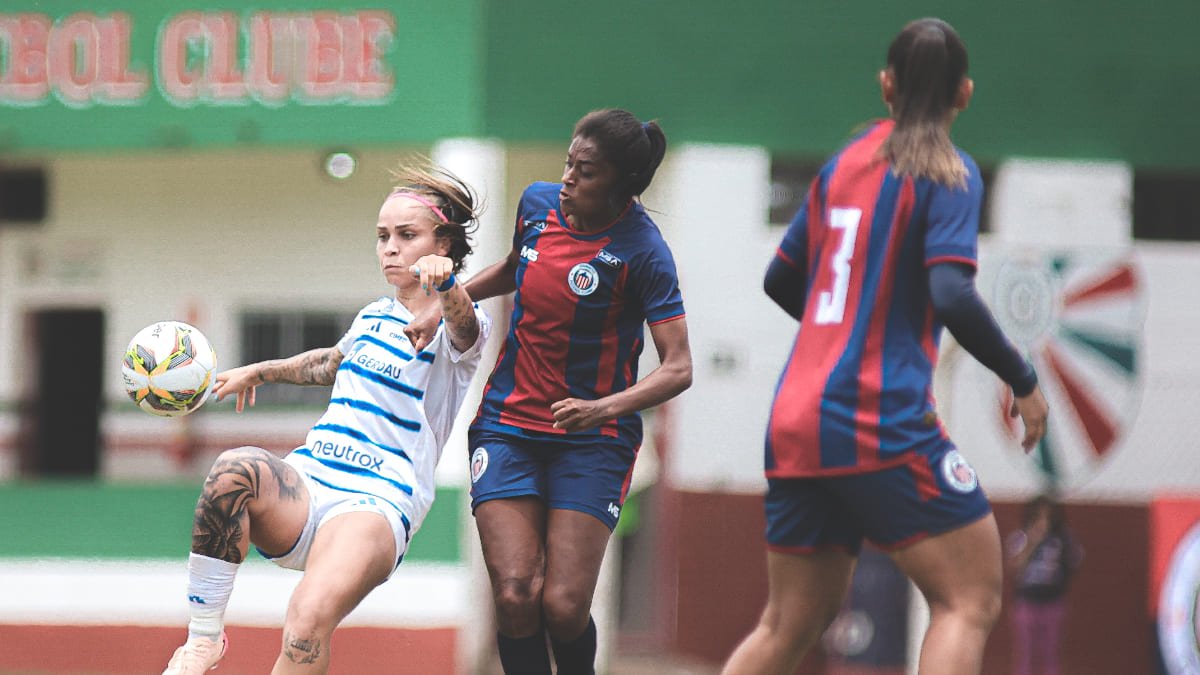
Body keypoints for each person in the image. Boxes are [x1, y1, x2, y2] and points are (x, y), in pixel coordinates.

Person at [721, 18, 1050, 675]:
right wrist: (1023, 377)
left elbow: (781, 277)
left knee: (786, 624)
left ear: (886, 86)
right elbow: (953, 294)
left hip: (796, 418)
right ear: (965, 94)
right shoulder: (951, 176)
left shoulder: (846, 162)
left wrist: (836, 330)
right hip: (876, 414)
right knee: (968, 596)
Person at [160, 164, 491, 675]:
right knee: (234, 469)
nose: (390, 248)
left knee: (305, 621)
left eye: (407, 235)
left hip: (376, 501)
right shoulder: (374, 315)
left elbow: (464, 324)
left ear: (442, 243)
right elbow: (330, 364)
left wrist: (448, 288)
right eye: (383, 236)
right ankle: (203, 641)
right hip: (312, 480)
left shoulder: (459, 323)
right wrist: (259, 371)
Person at [406, 108, 692, 674]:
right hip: (508, 426)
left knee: (562, 605)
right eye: (568, 163)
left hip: (593, 439)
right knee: (515, 593)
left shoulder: (644, 252)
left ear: (621, 185)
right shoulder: (537, 206)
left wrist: (600, 408)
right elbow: (515, 267)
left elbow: (678, 367)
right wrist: (445, 303)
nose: (567, 179)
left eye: (585, 172)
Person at [1006, 495, 1082, 675]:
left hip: (1053, 600)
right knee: (1025, 652)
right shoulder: (1021, 537)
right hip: (1026, 600)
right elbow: (1014, 567)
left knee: (1050, 651)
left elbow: (1075, 560)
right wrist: (1033, 541)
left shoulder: (1062, 539)